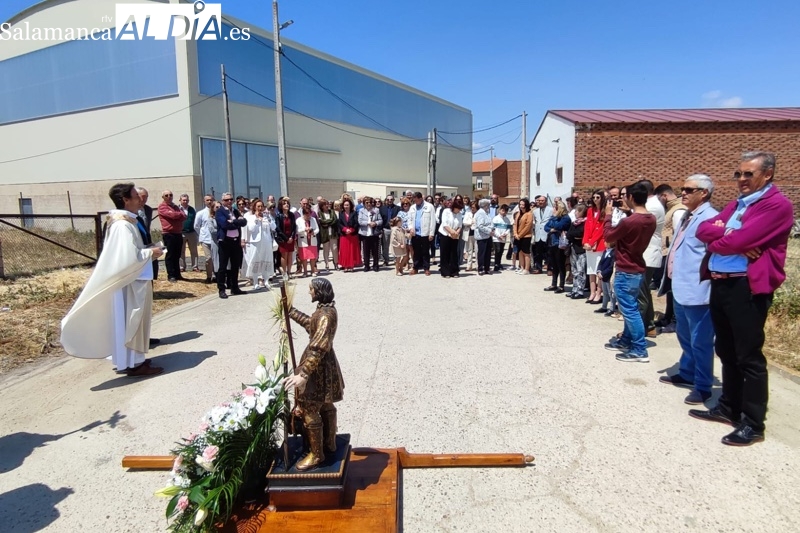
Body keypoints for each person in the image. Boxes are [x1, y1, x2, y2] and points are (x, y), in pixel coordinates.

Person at [692, 151, 794, 446]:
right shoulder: (738, 204)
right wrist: (729, 236)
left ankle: (753, 423)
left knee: (748, 356)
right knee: (725, 349)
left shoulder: (776, 205)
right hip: (721, 285)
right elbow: (703, 229)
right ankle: (729, 407)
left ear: (768, 174)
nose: (741, 180)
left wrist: (729, 238)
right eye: (738, 174)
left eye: (748, 174)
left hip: (746, 287)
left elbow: (738, 240)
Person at [61, 183, 164, 377]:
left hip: (131, 282)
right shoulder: (122, 225)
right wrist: (151, 253)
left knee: (131, 322)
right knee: (130, 321)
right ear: (125, 200)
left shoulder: (125, 222)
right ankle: (134, 364)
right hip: (128, 286)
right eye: (136, 196)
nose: (140, 199)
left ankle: (133, 360)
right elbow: (127, 259)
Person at [657, 174, 719, 405]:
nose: (683, 192)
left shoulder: (710, 219)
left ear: (704, 193)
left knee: (701, 340)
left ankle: (703, 386)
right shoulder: (687, 216)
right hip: (680, 286)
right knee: (684, 334)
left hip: (698, 290)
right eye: (683, 188)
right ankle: (687, 371)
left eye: (689, 189)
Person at [283, 278, 345, 471]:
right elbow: (311, 325)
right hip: (325, 366)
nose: (309, 292)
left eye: (311, 289)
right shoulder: (324, 311)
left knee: (310, 408)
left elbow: (318, 347)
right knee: (326, 403)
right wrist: (291, 311)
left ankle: (317, 454)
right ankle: (330, 442)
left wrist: (304, 373)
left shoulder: (326, 315)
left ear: (318, 291)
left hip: (319, 368)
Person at [603, 182, 657, 362]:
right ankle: (626, 340)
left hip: (626, 270)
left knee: (630, 311)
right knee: (630, 308)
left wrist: (608, 216)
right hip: (637, 267)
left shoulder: (630, 221)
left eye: (626, 195)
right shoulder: (650, 218)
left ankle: (639, 349)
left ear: (631, 197)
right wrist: (627, 212)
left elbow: (609, 236)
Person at [215, 192, 247, 299]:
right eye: (226, 200)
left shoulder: (235, 211)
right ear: (222, 201)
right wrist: (236, 222)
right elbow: (224, 225)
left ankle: (235, 287)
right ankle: (221, 289)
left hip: (235, 242)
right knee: (223, 267)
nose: (229, 201)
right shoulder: (220, 212)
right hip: (225, 242)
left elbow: (244, 222)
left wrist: (233, 221)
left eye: (230, 199)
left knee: (235, 266)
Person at [242, 199, 276, 290]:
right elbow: (251, 229)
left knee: (265, 260)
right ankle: (255, 282)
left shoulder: (266, 216)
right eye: (258, 206)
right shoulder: (250, 217)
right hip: (255, 242)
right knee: (256, 261)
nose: (260, 208)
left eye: (262, 206)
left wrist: (269, 218)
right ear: (254, 207)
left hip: (266, 242)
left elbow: (273, 227)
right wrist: (257, 219)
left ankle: (266, 281)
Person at [583, 190, 607, 304]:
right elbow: (587, 227)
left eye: (598, 197)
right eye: (594, 197)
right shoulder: (590, 211)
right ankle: (592, 292)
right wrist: (585, 242)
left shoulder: (604, 211)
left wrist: (592, 242)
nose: (595, 199)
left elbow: (602, 229)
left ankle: (599, 292)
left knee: (598, 269)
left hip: (599, 243)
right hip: (589, 245)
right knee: (591, 269)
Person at [158, 190, 187, 283]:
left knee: (177, 254)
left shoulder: (175, 206)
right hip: (168, 234)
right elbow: (173, 215)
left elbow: (184, 216)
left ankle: (177, 274)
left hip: (178, 233)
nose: (169, 196)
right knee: (170, 255)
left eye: (171, 195)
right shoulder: (162, 207)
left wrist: (177, 215)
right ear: (163, 197)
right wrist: (178, 215)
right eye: (166, 195)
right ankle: (171, 275)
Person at [543, 199, 571, 292]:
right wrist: (552, 228)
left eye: (555, 208)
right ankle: (553, 284)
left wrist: (553, 227)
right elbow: (546, 227)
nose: (553, 210)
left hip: (560, 244)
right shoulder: (553, 217)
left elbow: (559, 226)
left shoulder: (566, 218)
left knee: (560, 264)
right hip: (552, 243)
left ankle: (561, 285)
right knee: (553, 264)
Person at [407, 192, 437, 276]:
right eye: (414, 200)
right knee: (416, 252)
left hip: (425, 233)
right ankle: (415, 268)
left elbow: (433, 221)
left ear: (421, 199)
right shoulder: (412, 207)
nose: (415, 202)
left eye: (416, 200)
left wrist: (431, 233)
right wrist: (410, 228)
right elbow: (409, 219)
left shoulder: (429, 206)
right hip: (415, 233)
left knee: (425, 251)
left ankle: (426, 268)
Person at [566, 204, 588, 300]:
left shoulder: (585, 223)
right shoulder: (574, 223)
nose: (575, 213)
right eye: (575, 211)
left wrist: (574, 235)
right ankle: (574, 289)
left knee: (580, 270)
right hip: (573, 248)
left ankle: (580, 290)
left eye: (577, 211)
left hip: (581, 249)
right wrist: (573, 236)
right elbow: (569, 234)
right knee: (574, 270)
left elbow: (580, 233)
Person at [438, 197, 464, 278]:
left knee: (454, 253)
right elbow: (445, 224)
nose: (459, 210)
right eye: (458, 209)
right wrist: (452, 232)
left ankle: (454, 271)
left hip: (455, 235)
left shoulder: (459, 214)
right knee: (445, 253)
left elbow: (460, 225)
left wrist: (456, 233)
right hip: (445, 234)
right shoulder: (446, 211)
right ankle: (445, 272)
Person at [194, 194, 216, 283]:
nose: (209, 202)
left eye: (211, 200)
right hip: (205, 239)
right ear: (204, 201)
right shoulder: (200, 213)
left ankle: (216, 275)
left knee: (215, 258)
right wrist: (201, 235)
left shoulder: (216, 211)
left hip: (215, 239)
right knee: (209, 258)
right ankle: (209, 276)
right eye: (207, 200)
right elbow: (196, 226)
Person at [358, 196, 382, 272]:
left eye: (370, 202)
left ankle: (375, 265)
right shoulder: (361, 210)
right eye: (366, 203)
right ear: (364, 203)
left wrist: (375, 223)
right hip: (365, 233)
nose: (368, 204)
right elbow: (360, 221)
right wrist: (368, 223)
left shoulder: (376, 210)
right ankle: (366, 265)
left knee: (375, 251)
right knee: (366, 251)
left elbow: (380, 220)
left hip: (374, 233)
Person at [275, 197, 298, 278]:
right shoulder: (278, 215)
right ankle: (284, 273)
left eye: (287, 203)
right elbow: (278, 228)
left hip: (290, 238)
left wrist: (292, 237)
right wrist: (286, 239)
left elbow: (294, 227)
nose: (286, 205)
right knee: (284, 255)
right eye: (284, 203)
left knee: (290, 255)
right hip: (283, 239)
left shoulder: (291, 215)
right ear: (281, 205)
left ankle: (289, 272)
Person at [337, 198, 360, 272]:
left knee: (352, 251)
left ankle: (351, 265)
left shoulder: (354, 213)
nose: (346, 206)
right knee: (344, 251)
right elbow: (339, 223)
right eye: (345, 205)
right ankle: (345, 266)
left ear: (350, 205)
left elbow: (356, 223)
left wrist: (351, 230)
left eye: (347, 205)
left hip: (352, 234)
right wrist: (345, 229)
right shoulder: (340, 213)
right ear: (343, 206)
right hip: (344, 235)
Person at [297, 206, 320, 277]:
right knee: (304, 257)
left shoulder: (313, 219)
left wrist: (313, 232)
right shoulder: (298, 220)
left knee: (312, 257)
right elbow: (297, 231)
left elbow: (317, 229)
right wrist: (304, 229)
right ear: (303, 214)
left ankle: (313, 270)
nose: (308, 216)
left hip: (312, 240)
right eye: (306, 214)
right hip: (303, 241)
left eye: (309, 214)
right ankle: (305, 272)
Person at [178, 193, 199, 273]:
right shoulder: (177, 209)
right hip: (181, 232)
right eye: (183, 200)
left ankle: (195, 266)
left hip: (191, 232)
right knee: (181, 251)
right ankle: (182, 267)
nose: (185, 201)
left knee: (194, 250)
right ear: (180, 200)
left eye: (186, 200)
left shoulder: (192, 209)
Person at [532, 196, 553, 273]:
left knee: (549, 252)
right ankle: (538, 268)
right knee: (538, 253)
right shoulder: (535, 211)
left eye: (542, 201)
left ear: (546, 201)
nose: (540, 202)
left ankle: (550, 268)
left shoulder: (551, 210)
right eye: (539, 201)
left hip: (547, 234)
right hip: (538, 234)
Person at [474, 198, 494, 275]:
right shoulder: (480, 213)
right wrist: (489, 231)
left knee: (488, 253)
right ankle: (480, 268)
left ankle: (487, 268)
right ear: (485, 205)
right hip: (482, 236)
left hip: (488, 236)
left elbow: (490, 222)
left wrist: (492, 229)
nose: (489, 207)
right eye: (488, 205)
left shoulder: (486, 213)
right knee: (482, 253)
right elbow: (480, 225)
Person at [318, 199, 339, 271]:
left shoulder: (332, 212)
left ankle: (336, 263)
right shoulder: (319, 213)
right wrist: (329, 221)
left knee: (335, 249)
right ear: (322, 206)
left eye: (327, 204)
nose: (327, 206)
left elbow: (334, 220)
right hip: (325, 234)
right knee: (326, 250)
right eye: (325, 204)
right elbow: (321, 222)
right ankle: (327, 264)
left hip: (333, 233)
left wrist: (326, 222)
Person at [379, 195, 400, 267]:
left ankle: (396, 259)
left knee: (396, 245)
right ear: (386, 200)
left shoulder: (397, 208)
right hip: (386, 229)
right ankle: (386, 260)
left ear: (393, 200)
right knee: (385, 246)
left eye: (391, 199)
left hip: (395, 229)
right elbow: (380, 219)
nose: (389, 201)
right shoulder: (382, 209)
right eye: (388, 199)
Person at [491, 204, 512, 272]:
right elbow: (493, 229)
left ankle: (499, 263)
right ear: (499, 210)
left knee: (501, 251)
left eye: (505, 211)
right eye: (502, 210)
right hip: (496, 238)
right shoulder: (495, 218)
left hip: (503, 238)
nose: (504, 212)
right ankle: (496, 264)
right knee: (498, 250)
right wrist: (498, 235)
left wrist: (505, 234)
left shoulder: (507, 220)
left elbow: (508, 228)